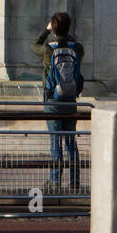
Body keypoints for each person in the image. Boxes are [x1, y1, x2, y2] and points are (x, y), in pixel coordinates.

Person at [31, 13, 84, 195]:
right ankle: (75, 183)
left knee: (55, 142)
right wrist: (66, 36)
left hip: (53, 100)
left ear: (53, 28)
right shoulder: (76, 48)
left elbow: (33, 46)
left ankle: (55, 182)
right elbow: (78, 52)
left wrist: (46, 32)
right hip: (70, 99)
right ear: (68, 29)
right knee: (71, 142)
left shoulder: (48, 50)